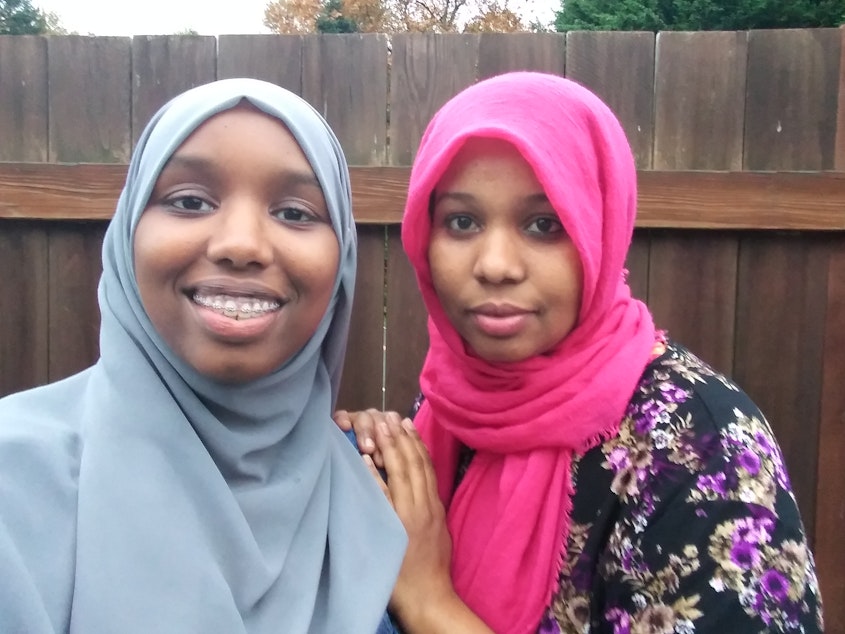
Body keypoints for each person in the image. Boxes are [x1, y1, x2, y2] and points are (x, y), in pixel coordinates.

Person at [336, 72, 824, 633]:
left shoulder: (698, 439)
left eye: (544, 224)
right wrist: (379, 449)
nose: (496, 264)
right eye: (462, 221)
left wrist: (429, 602)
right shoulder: (452, 402)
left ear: (599, 228)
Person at [0, 78, 406, 633]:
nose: (240, 244)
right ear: (126, 236)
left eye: (294, 212)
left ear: (342, 264)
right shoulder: (14, 477)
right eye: (189, 202)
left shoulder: (383, 494)